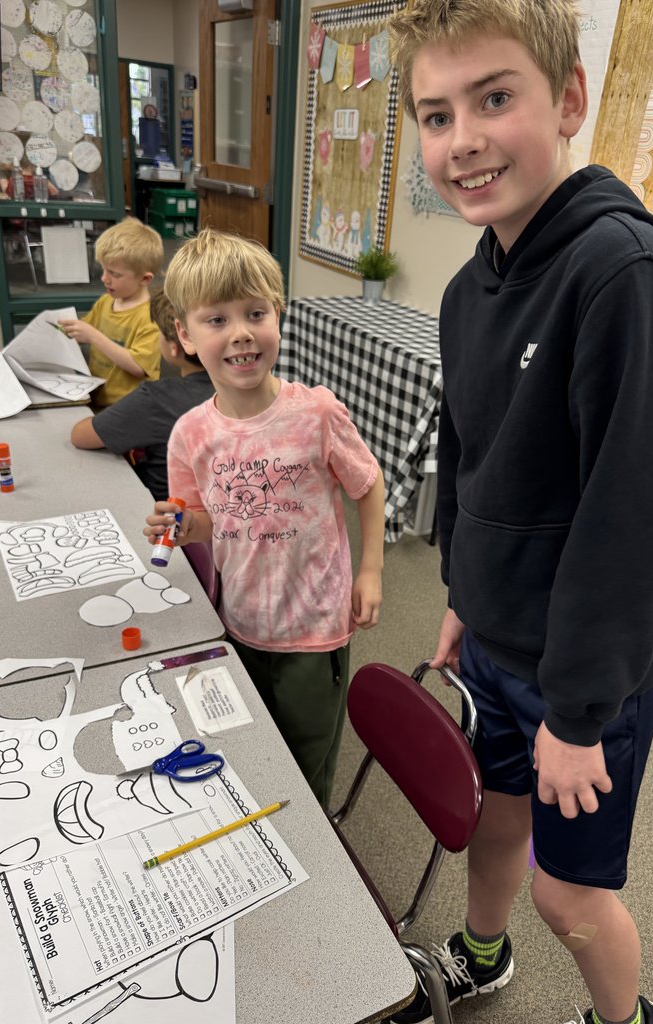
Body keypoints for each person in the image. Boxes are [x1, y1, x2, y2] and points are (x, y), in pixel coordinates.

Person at [386, 3, 653, 1024]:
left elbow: (642, 524)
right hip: (499, 634)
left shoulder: (621, 277)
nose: (466, 139)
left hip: (588, 675)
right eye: (436, 115)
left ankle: (627, 1020)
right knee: (497, 819)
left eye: (495, 98)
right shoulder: (469, 286)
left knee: (569, 891)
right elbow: (478, 463)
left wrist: (576, 716)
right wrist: (461, 595)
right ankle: (483, 956)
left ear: (569, 100)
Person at [143, 228, 385, 808]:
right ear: (184, 334)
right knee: (246, 749)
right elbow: (203, 522)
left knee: (306, 762)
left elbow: (369, 485)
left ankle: (313, 849)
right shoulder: (190, 434)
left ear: (278, 315)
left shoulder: (317, 412)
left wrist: (371, 570)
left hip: (315, 628)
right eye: (216, 320)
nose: (241, 334)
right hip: (240, 622)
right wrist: (175, 528)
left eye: (255, 313)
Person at [68, 288, 215, 502]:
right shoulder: (249, 393)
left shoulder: (156, 400)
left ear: (173, 347)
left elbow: (80, 436)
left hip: (166, 518)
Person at [59, 217, 164, 408]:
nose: (104, 279)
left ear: (145, 279)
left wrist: (93, 336)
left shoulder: (150, 317)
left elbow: (139, 367)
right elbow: (82, 334)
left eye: (115, 274)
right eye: (104, 269)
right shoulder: (105, 302)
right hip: (97, 397)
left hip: (129, 408)